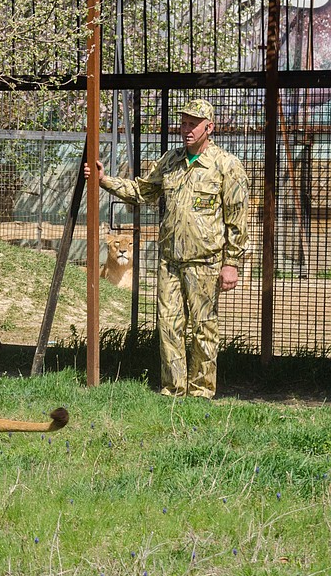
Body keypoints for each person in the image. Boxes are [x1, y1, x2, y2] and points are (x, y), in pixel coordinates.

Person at [86, 98, 249, 399]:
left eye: (193, 124)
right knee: (169, 326)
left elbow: (237, 219)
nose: (186, 129)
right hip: (170, 261)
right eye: (183, 123)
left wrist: (232, 263)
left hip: (206, 262)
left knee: (203, 328)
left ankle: (201, 391)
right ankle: (173, 388)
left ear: (209, 128)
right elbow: (142, 191)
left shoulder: (226, 165)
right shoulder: (170, 161)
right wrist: (105, 181)